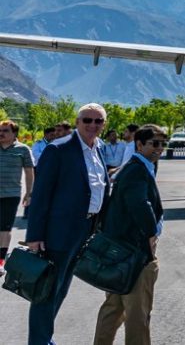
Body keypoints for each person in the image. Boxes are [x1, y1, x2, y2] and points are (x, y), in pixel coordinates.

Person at [27, 103, 110, 345]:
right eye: (87, 120)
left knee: (61, 288)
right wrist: (34, 235)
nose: (92, 125)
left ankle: (45, 337)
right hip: (58, 232)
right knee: (47, 291)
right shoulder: (59, 150)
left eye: (98, 121)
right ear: (77, 122)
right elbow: (41, 196)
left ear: (104, 125)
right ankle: (39, 341)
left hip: (85, 230)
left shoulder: (99, 150)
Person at [92, 125, 166, 345]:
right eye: (154, 143)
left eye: (162, 144)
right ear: (139, 144)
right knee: (137, 312)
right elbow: (139, 204)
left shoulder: (136, 167)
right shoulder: (137, 169)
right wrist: (151, 234)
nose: (159, 149)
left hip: (120, 251)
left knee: (113, 308)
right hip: (134, 252)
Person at [0, 120, 34, 275]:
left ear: (14, 133)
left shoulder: (23, 149)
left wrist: (29, 192)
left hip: (11, 195)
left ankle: (1, 261)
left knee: (4, 229)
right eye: (0, 130)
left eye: (5, 130)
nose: (1, 133)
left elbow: (29, 172)